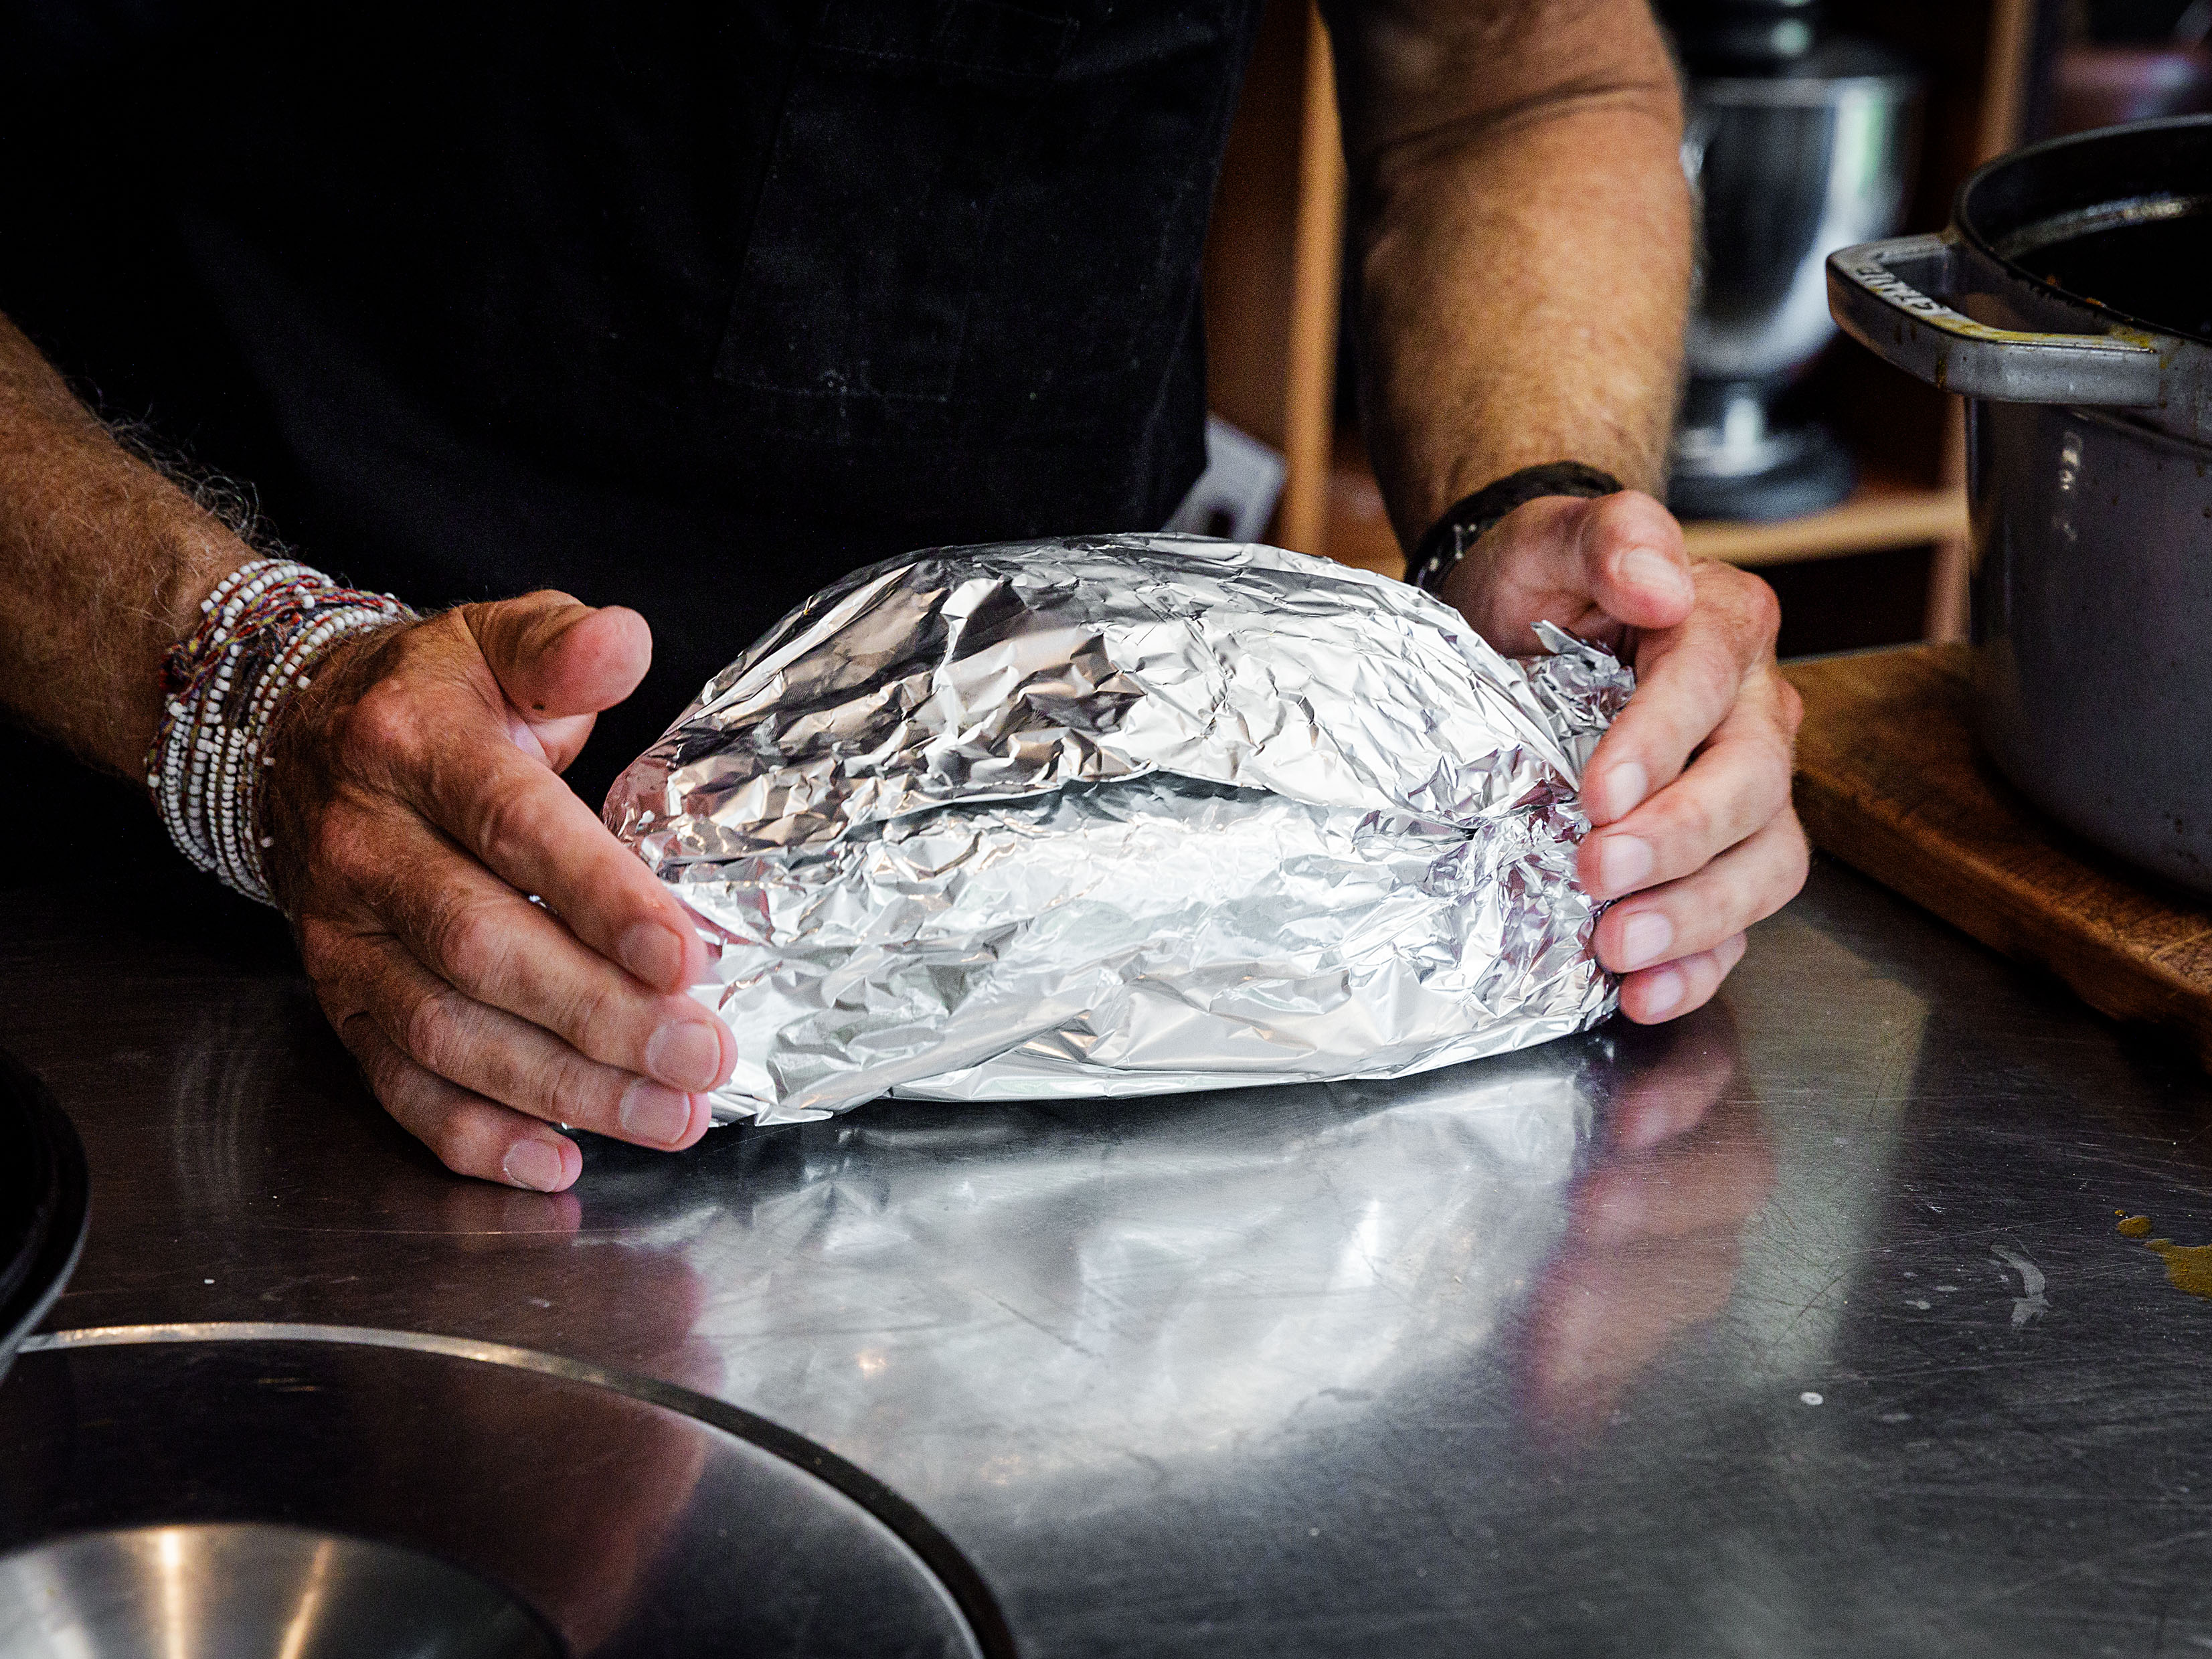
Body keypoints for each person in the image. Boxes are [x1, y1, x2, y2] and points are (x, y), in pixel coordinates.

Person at [0, 0, 1805, 1190]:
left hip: (1129, 964)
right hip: (164, 958)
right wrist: (248, 699)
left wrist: (1546, 523)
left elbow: (1521, 78)